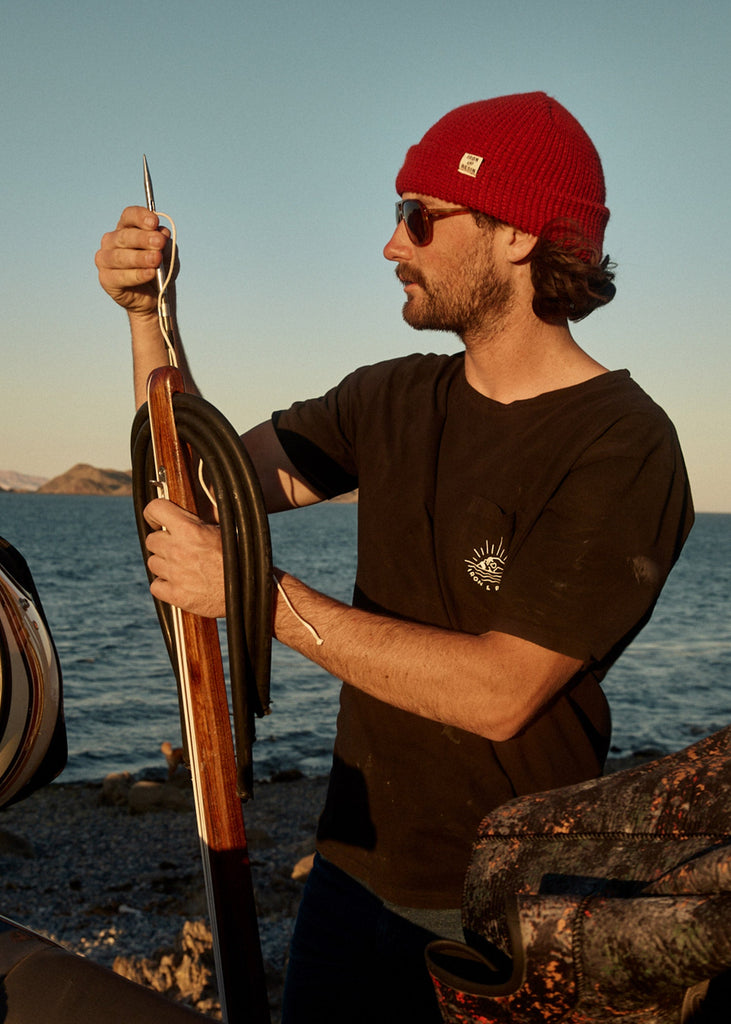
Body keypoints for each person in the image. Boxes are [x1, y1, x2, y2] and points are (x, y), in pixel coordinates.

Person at [96, 91, 693, 1023]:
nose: (391, 245)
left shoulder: (623, 445)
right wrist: (146, 318)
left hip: (506, 909)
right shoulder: (391, 398)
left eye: (419, 218)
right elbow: (200, 484)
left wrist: (250, 591)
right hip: (347, 871)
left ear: (519, 236)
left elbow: (503, 692)